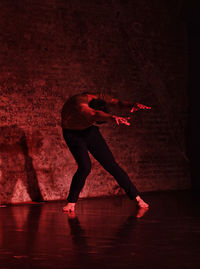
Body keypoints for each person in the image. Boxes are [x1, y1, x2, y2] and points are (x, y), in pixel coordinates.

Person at [61, 91, 151, 212]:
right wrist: (112, 117)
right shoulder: (80, 104)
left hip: (89, 131)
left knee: (111, 165)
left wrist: (131, 104)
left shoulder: (99, 98)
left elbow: (117, 103)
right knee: (85, 167)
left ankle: (137, 198)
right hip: (73, 134)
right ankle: (71, 202)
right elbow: (94, 113)